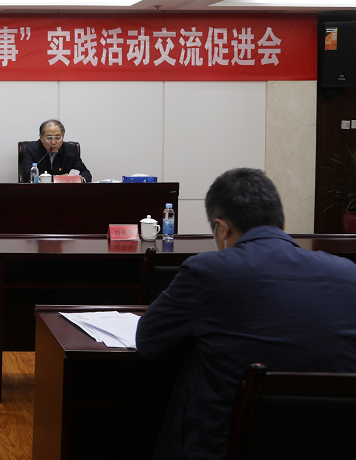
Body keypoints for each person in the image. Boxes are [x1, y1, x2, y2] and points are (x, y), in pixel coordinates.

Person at [136, 168, 356, 460]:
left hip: (226, 446)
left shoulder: (207, 271)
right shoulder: (348, 274)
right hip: (333, 445)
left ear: (221, 229)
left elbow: (149, 341)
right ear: (283, 223)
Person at [20, 119, 92, 182]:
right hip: (40, 191)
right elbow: (27, 175)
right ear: (41, 137)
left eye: (58, 138)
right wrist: (59, 179)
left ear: (63, 136)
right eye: (49, 138)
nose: (53, 142)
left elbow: (86, 174)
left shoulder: (71, 150)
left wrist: (81, 179)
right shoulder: (32, 149)